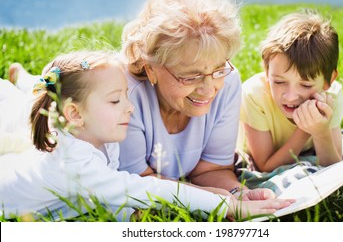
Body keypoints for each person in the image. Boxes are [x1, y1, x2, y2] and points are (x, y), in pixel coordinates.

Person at [0, 51, 293, 221]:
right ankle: (23, 84)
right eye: (116, 101)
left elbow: (120, 192)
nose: (130, 108)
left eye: (126, 97)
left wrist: (227, 193)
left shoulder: (91, 133)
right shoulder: (76, 163)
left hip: (31, 164)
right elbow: (147, 190)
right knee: (20, 120)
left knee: (31, 115)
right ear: (76, 114)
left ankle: (25, 82)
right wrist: (226, 205)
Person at [118, 0, 265, 199]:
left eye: (218, 69)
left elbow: (211, 170)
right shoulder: (122, 95)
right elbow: (137, 183)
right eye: (191, 76)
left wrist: (238, 194)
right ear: (151, 69)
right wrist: (218, 201)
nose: (208, 89)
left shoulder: (229, 81)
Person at [237, 10, 343, 173]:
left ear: (328, 81)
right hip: (262, 159)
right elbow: (265, 167)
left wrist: (321, 132)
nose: (290, 96)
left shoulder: (331, 96)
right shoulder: (254, 95)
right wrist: (304, 129)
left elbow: (334, 169)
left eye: (306, 85)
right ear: (267, 72)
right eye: (279, 82)